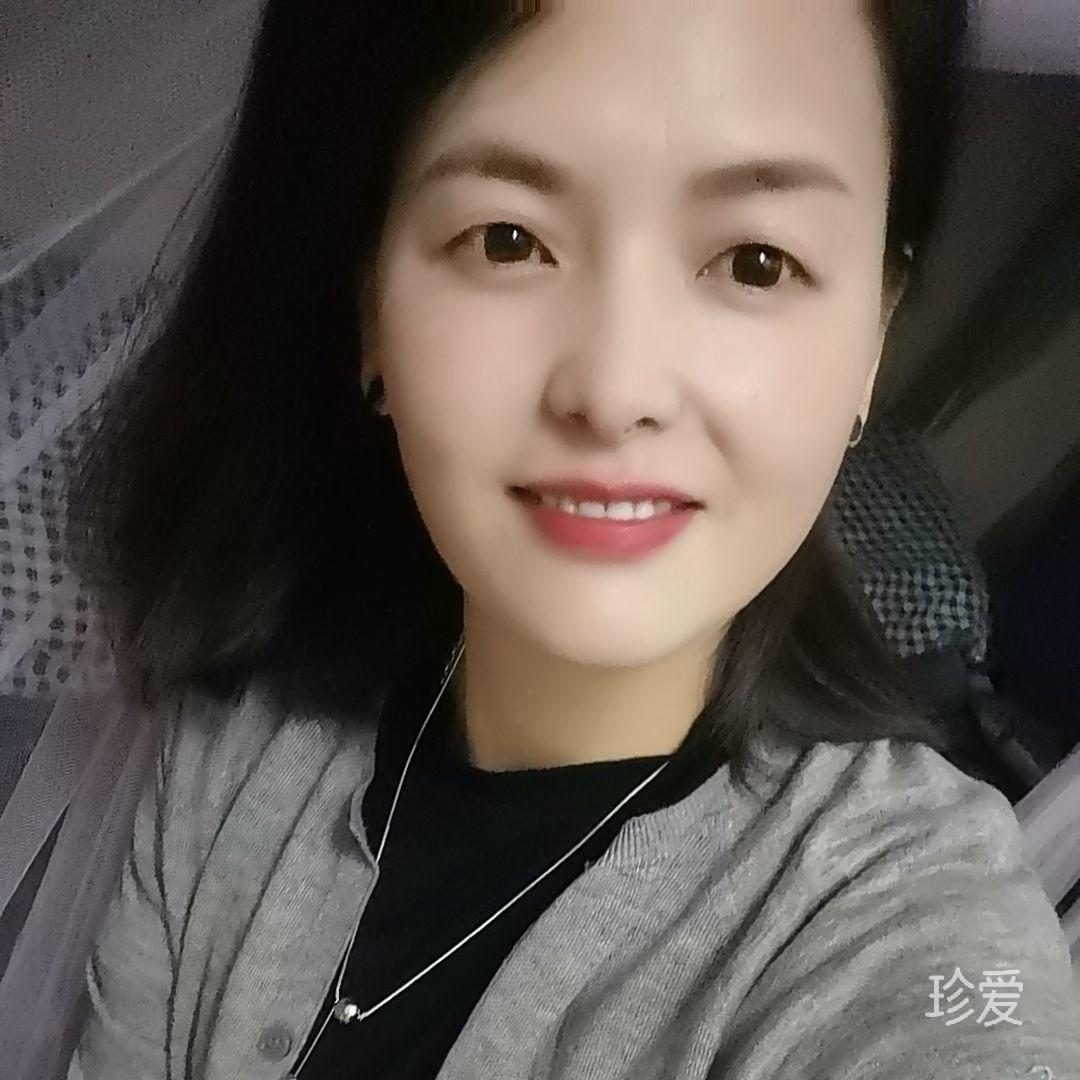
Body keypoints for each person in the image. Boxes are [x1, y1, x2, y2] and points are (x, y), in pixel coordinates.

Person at [23, 1, 1080, 1077]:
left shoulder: (892, 925)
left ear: (873, 336)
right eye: (508, 240)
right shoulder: (240, 739)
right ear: (371, 304)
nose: (616, 392)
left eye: (756, 262)